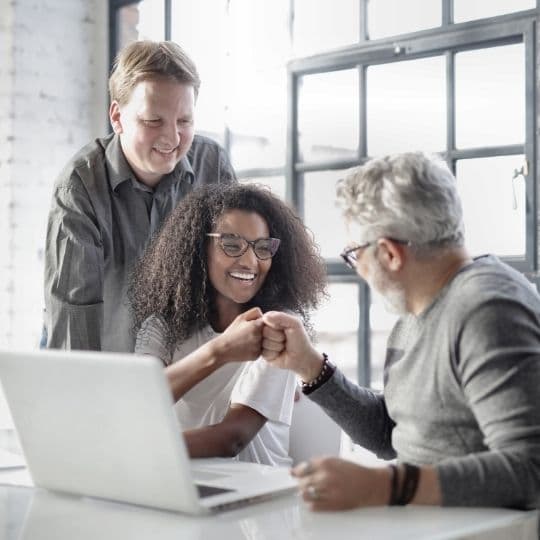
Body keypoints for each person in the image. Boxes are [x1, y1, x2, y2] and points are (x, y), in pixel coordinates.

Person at [261, 152, 540, 509]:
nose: (358, 269)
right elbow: (390, 433)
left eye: (354, 255)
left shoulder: (488, 310)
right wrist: (310, 366)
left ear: (390, 254)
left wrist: (384, 486)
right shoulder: (416, 311)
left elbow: (530, 469)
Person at [44, 40, 236, 352]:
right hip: (112, 371)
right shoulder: (79, 186)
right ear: (117, 117)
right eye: (153, 121)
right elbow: (73, 313)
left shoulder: (212, 167)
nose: (172, 138)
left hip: (195, 371)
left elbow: (240, 273)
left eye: (184, 121)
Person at [130, 183, 327, 466]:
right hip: (181, 480)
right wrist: (220, 350)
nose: (250, 261)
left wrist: (139, 447)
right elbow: (140, 404)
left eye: (262, 248)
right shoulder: (161, 327)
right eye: (231, 245)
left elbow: (232, 438)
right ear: (198, 248)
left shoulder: (278, 329)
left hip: (259, 492)